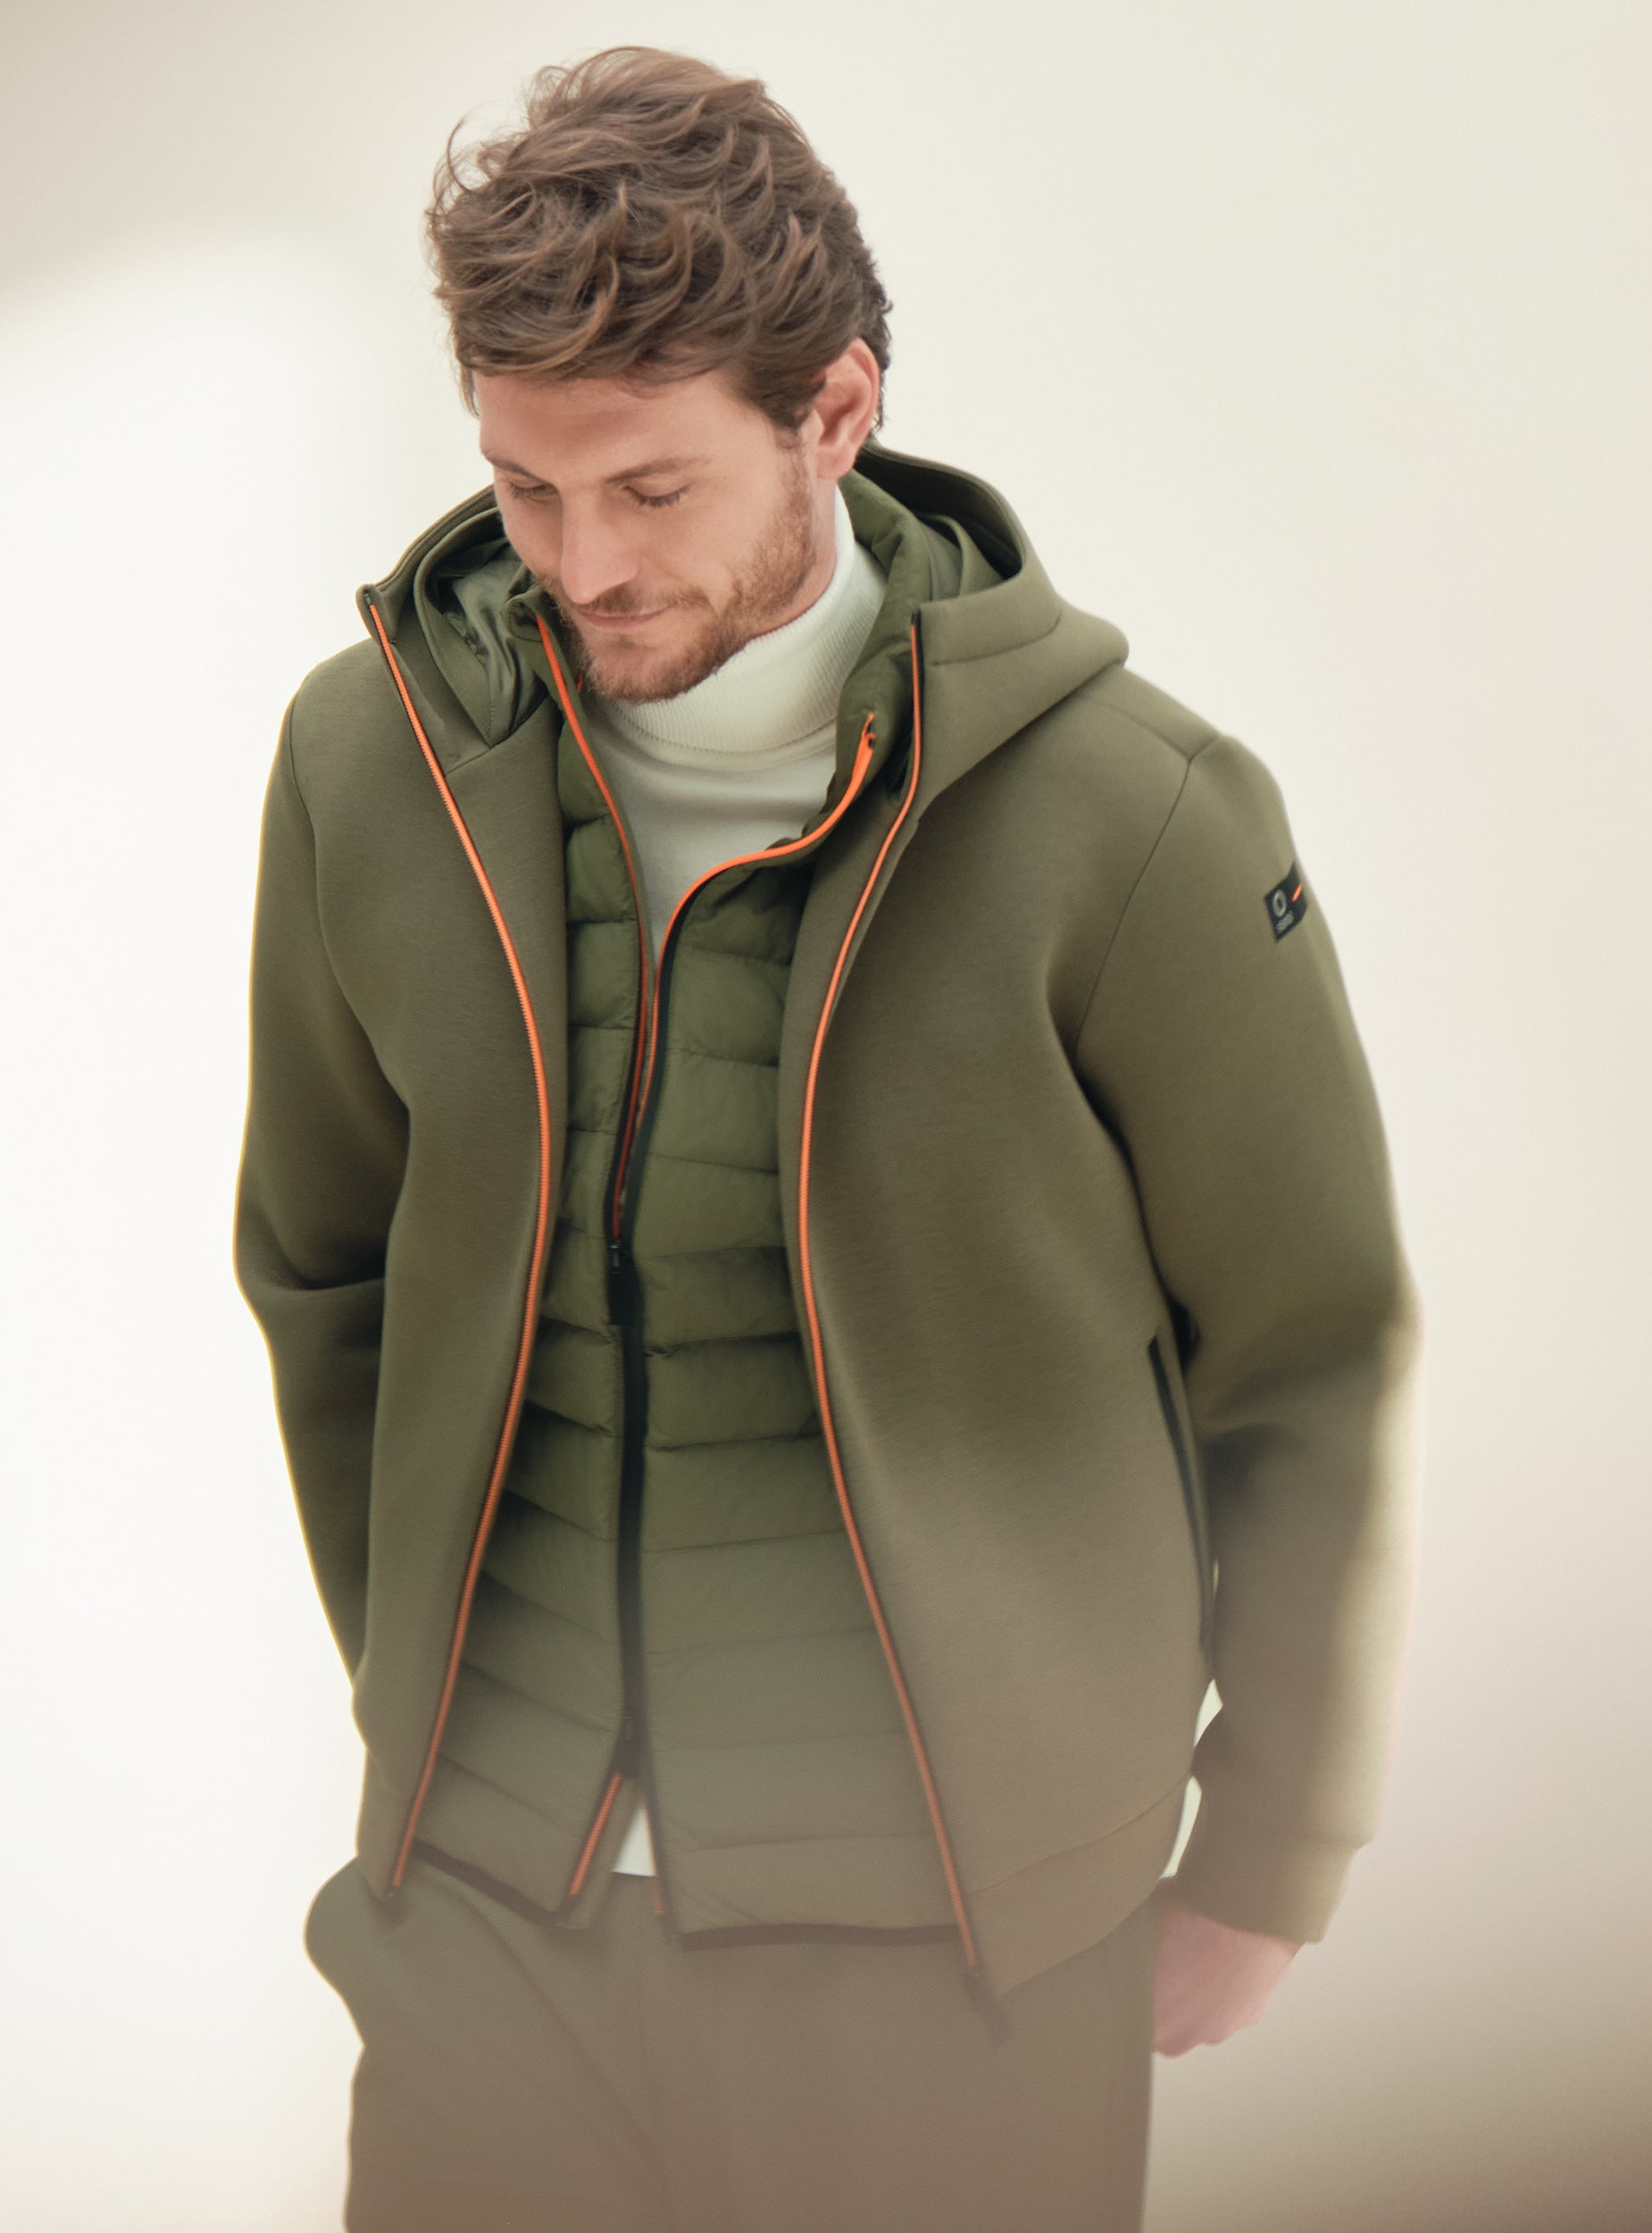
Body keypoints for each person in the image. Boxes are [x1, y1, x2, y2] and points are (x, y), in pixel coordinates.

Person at [234, 43, 1421, 2233]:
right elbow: (325, 1275)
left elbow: (1308, 1351)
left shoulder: (1136, 819)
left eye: (650, 488)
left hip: (945, 1930)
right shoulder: (366, 763)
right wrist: (438, 1711)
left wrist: (1269, 1849)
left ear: (835, 413)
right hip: (486, 1905)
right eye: (523, 489)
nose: (583, 563)